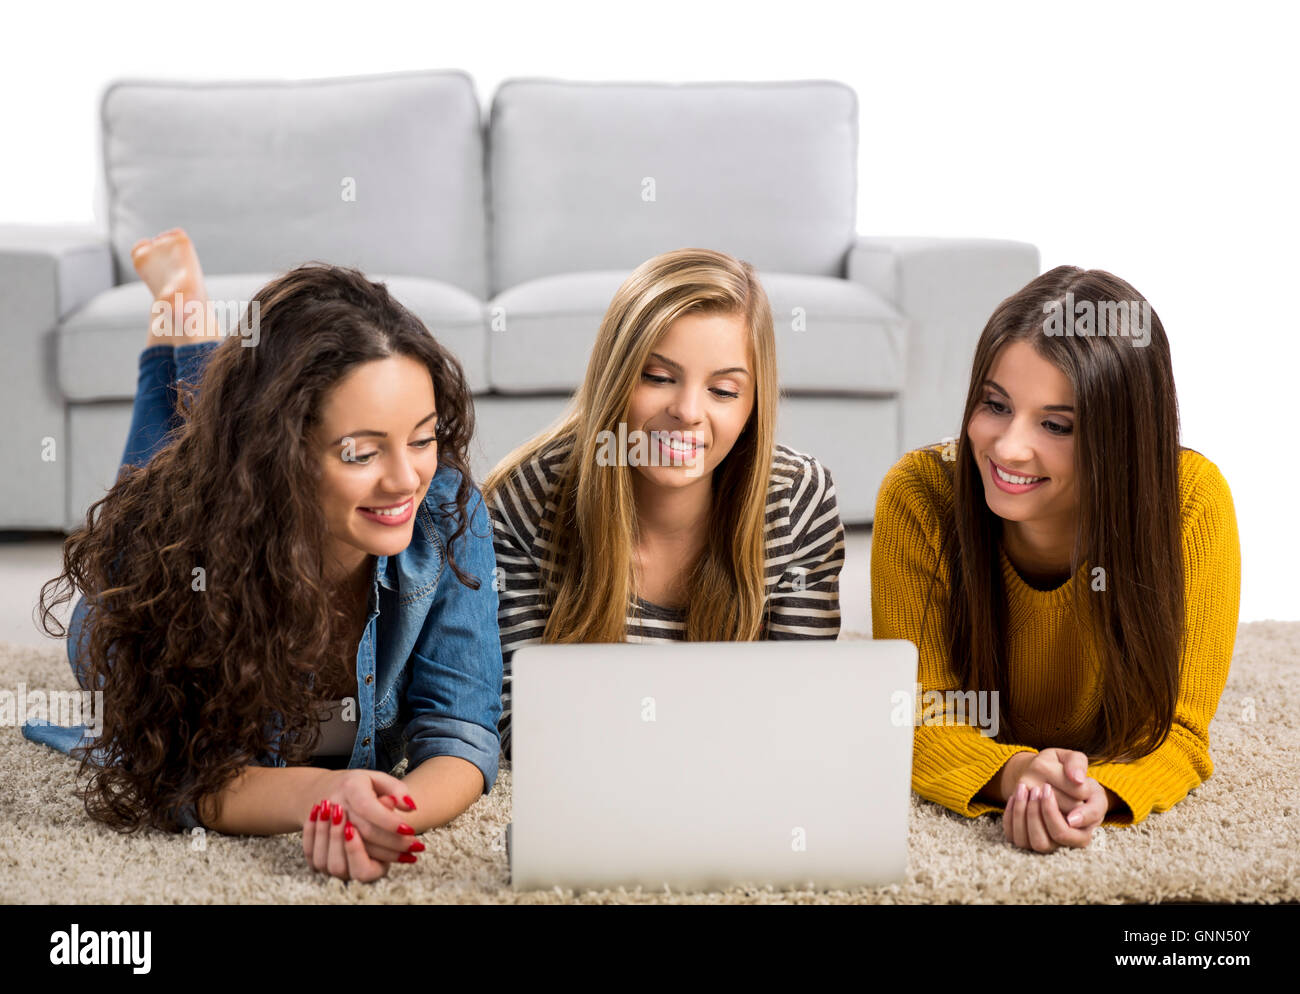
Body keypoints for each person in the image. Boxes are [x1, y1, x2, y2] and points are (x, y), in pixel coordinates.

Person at [26, 229, 502, 882]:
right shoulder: (173, 561)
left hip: (239, 464)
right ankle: (183, 310)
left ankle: (188, 320)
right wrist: (323, 796)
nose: (405, 481)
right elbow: (183, 772)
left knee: (202, 432)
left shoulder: (446, 508)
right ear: (279, 454)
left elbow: (461, 731)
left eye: (422, 439)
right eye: (361, 452)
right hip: (137, 585)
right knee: (157, 469)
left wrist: (388, 813)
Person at [871, 265, 1240, 852]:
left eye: (1056, 425)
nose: (1010, 446)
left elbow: (1183, 732)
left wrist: (1105, 790)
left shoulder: (1190, 500)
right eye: (995, 405)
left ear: (1122, 437)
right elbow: (916, 715)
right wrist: (1016, 775)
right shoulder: (920, 493)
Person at [483, 248, 846, 756]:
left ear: (753, 405)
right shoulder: (525, 501)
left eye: (723, 390)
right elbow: (514, 724)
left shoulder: (797, 500)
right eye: (658, 378)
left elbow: (801, 711)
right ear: (616, 376)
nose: (687, 412)